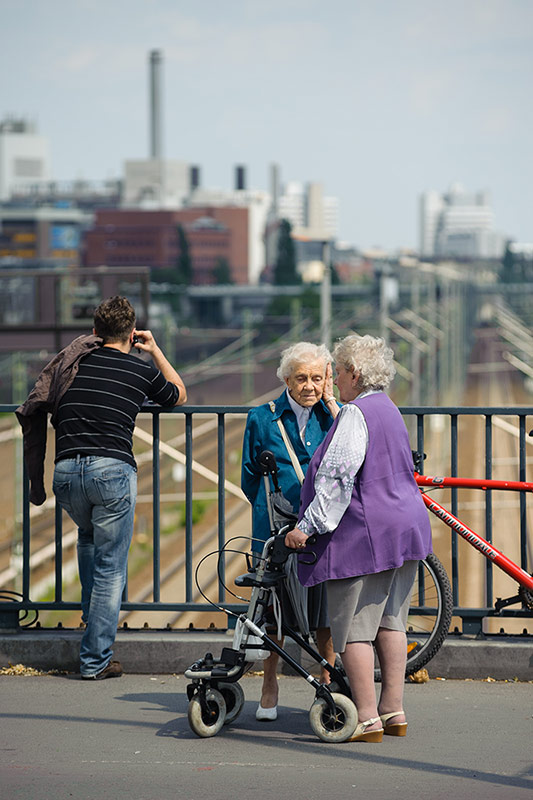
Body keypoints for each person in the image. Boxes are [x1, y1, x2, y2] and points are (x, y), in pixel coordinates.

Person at [17, 296, 187, 680]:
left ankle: (91, 626)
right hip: (110, 471)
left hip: (65, 472)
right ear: (132, 334)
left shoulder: (70, 366)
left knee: (90, 541)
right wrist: (156, 350)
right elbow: (178, 394)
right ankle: (95, 660)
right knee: (111, 569)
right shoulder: (139, 368)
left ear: (94, 333)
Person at [285, 334, 432, 741]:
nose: (335, 381)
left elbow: (336, 480)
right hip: (406, 529)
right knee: (391, 623)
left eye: (337, 371)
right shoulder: (389, 408)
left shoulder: (355, 415)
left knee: (352, 630)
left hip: (366, 534)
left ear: (353, 372)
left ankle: (365, 717)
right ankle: (394, 710)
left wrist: (306, 528)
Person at [241, 341, 340, 721]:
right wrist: (273, 511)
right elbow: (250, 477)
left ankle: (326, 685)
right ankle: (270, 683)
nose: (310, 386)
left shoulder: (332, 416)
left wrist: (333, 402)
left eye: (318, 378)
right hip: (274, 529)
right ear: (286, 379)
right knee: (273, 613)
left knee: (324, 614)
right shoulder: (261, 419)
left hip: (321, 526)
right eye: (301, 378)